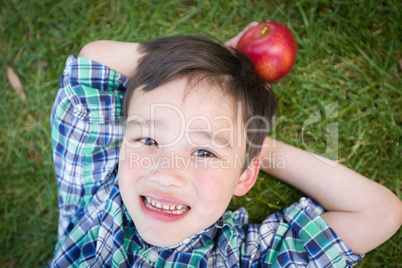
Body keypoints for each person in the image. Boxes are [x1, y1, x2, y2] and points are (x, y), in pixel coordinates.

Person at [49, 23, 401, 267]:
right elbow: (95, 60)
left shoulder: (246, 257)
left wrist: (256, 145)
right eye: (149, 139)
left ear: (246, 176)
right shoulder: (96, 194)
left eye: (204, 151)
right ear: (124, 144)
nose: (167, 174)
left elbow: (379, 212)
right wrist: (215, 56)